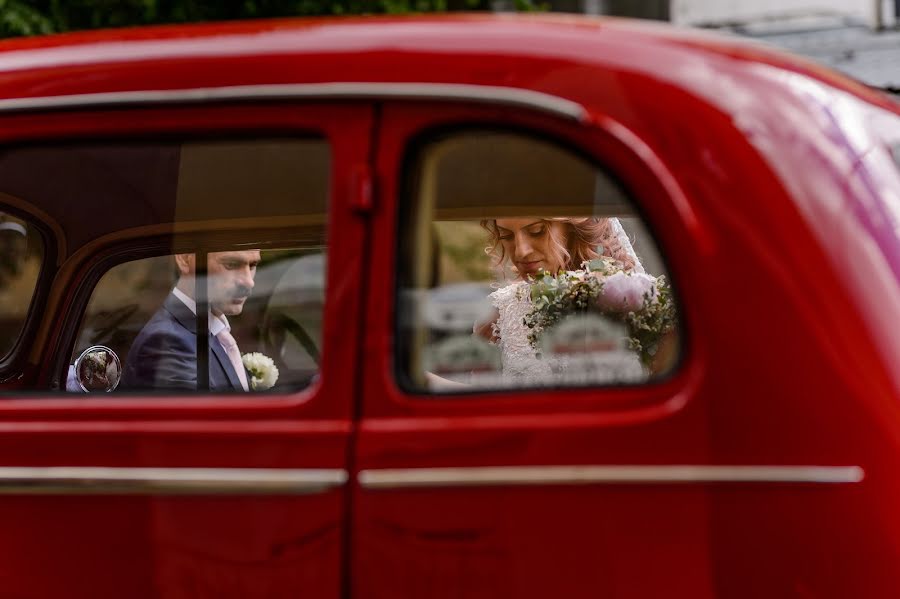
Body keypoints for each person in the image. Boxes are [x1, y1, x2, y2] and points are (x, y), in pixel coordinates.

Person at [475, 216, 649, 385]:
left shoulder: (632, 299)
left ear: (572, 229)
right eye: (506, 236)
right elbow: (479, 400)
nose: (521, 251)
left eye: (537, 231)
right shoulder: (500, 313)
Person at [121, 250, 260, 392]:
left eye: (252, 265)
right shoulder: (167, 341)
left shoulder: (211, 331)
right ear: (185, 259)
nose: (249, 282)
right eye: (231, 264)